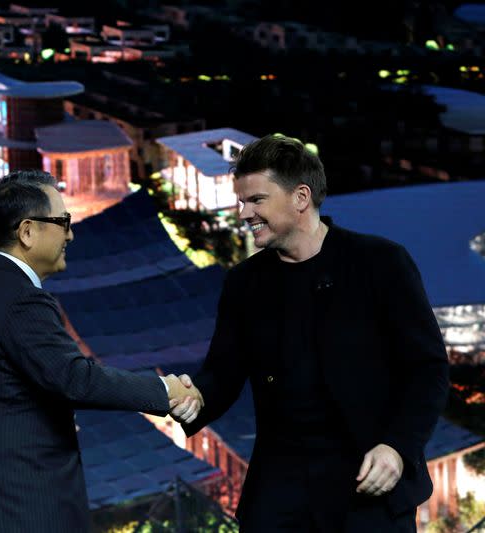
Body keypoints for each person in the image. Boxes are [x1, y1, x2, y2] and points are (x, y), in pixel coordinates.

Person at [171, 135, 449, 532]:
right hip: (279, 497)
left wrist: (397, 448)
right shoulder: (244, 282)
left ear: (301, 197)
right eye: (242, 200)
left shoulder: (380, 262)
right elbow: (223, 371)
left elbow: (428, 371)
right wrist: (194, 397)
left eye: (256, 200)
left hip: (368, 491)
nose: (243, 212)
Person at [0, 169, 201, 533]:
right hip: (21, 508)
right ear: (27, 232)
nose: (71, 234)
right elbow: (75, 379)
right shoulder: (21, 299)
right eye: (62, 222)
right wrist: (165, 391)